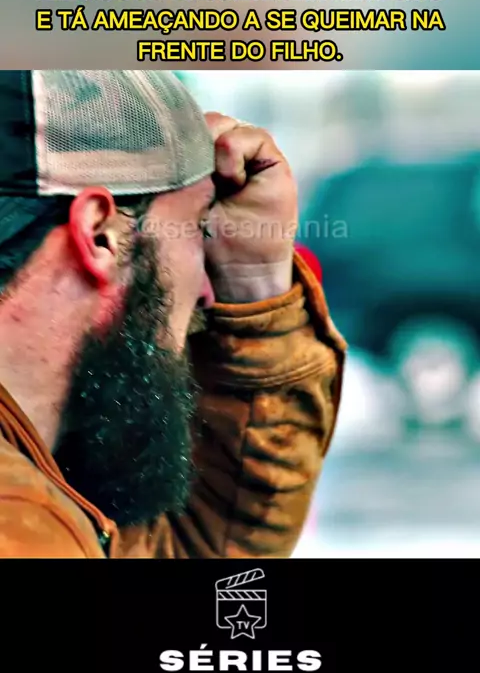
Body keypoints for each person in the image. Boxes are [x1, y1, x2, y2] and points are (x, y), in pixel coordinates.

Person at [0, 70, 346, 558]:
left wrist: (252, 282)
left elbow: (184, 549)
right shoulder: (22, 524)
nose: (206, 293)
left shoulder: (32, 507)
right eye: (198, 226)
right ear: (100, 235)